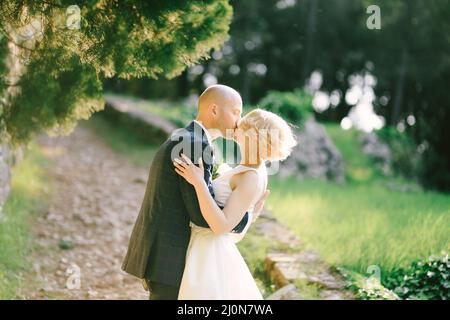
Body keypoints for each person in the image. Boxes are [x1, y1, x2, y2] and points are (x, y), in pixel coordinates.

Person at [121, 85, 269, 300]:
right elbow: (202, 217)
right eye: (236, 112)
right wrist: (246, 216)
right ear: (214, 110)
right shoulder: (194, 145)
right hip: (170, 255)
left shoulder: (190, 138)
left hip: (167, 253)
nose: (240, 119)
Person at [174, 108, 297, 299]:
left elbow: (221, 226)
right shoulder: (250, 169)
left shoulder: (250, 177)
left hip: (209, 252)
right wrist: (250, 218)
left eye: (242, 125)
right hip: (209, 246)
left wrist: (199, 183)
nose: (236, 125)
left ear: (252, 137)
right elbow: (236, 230)